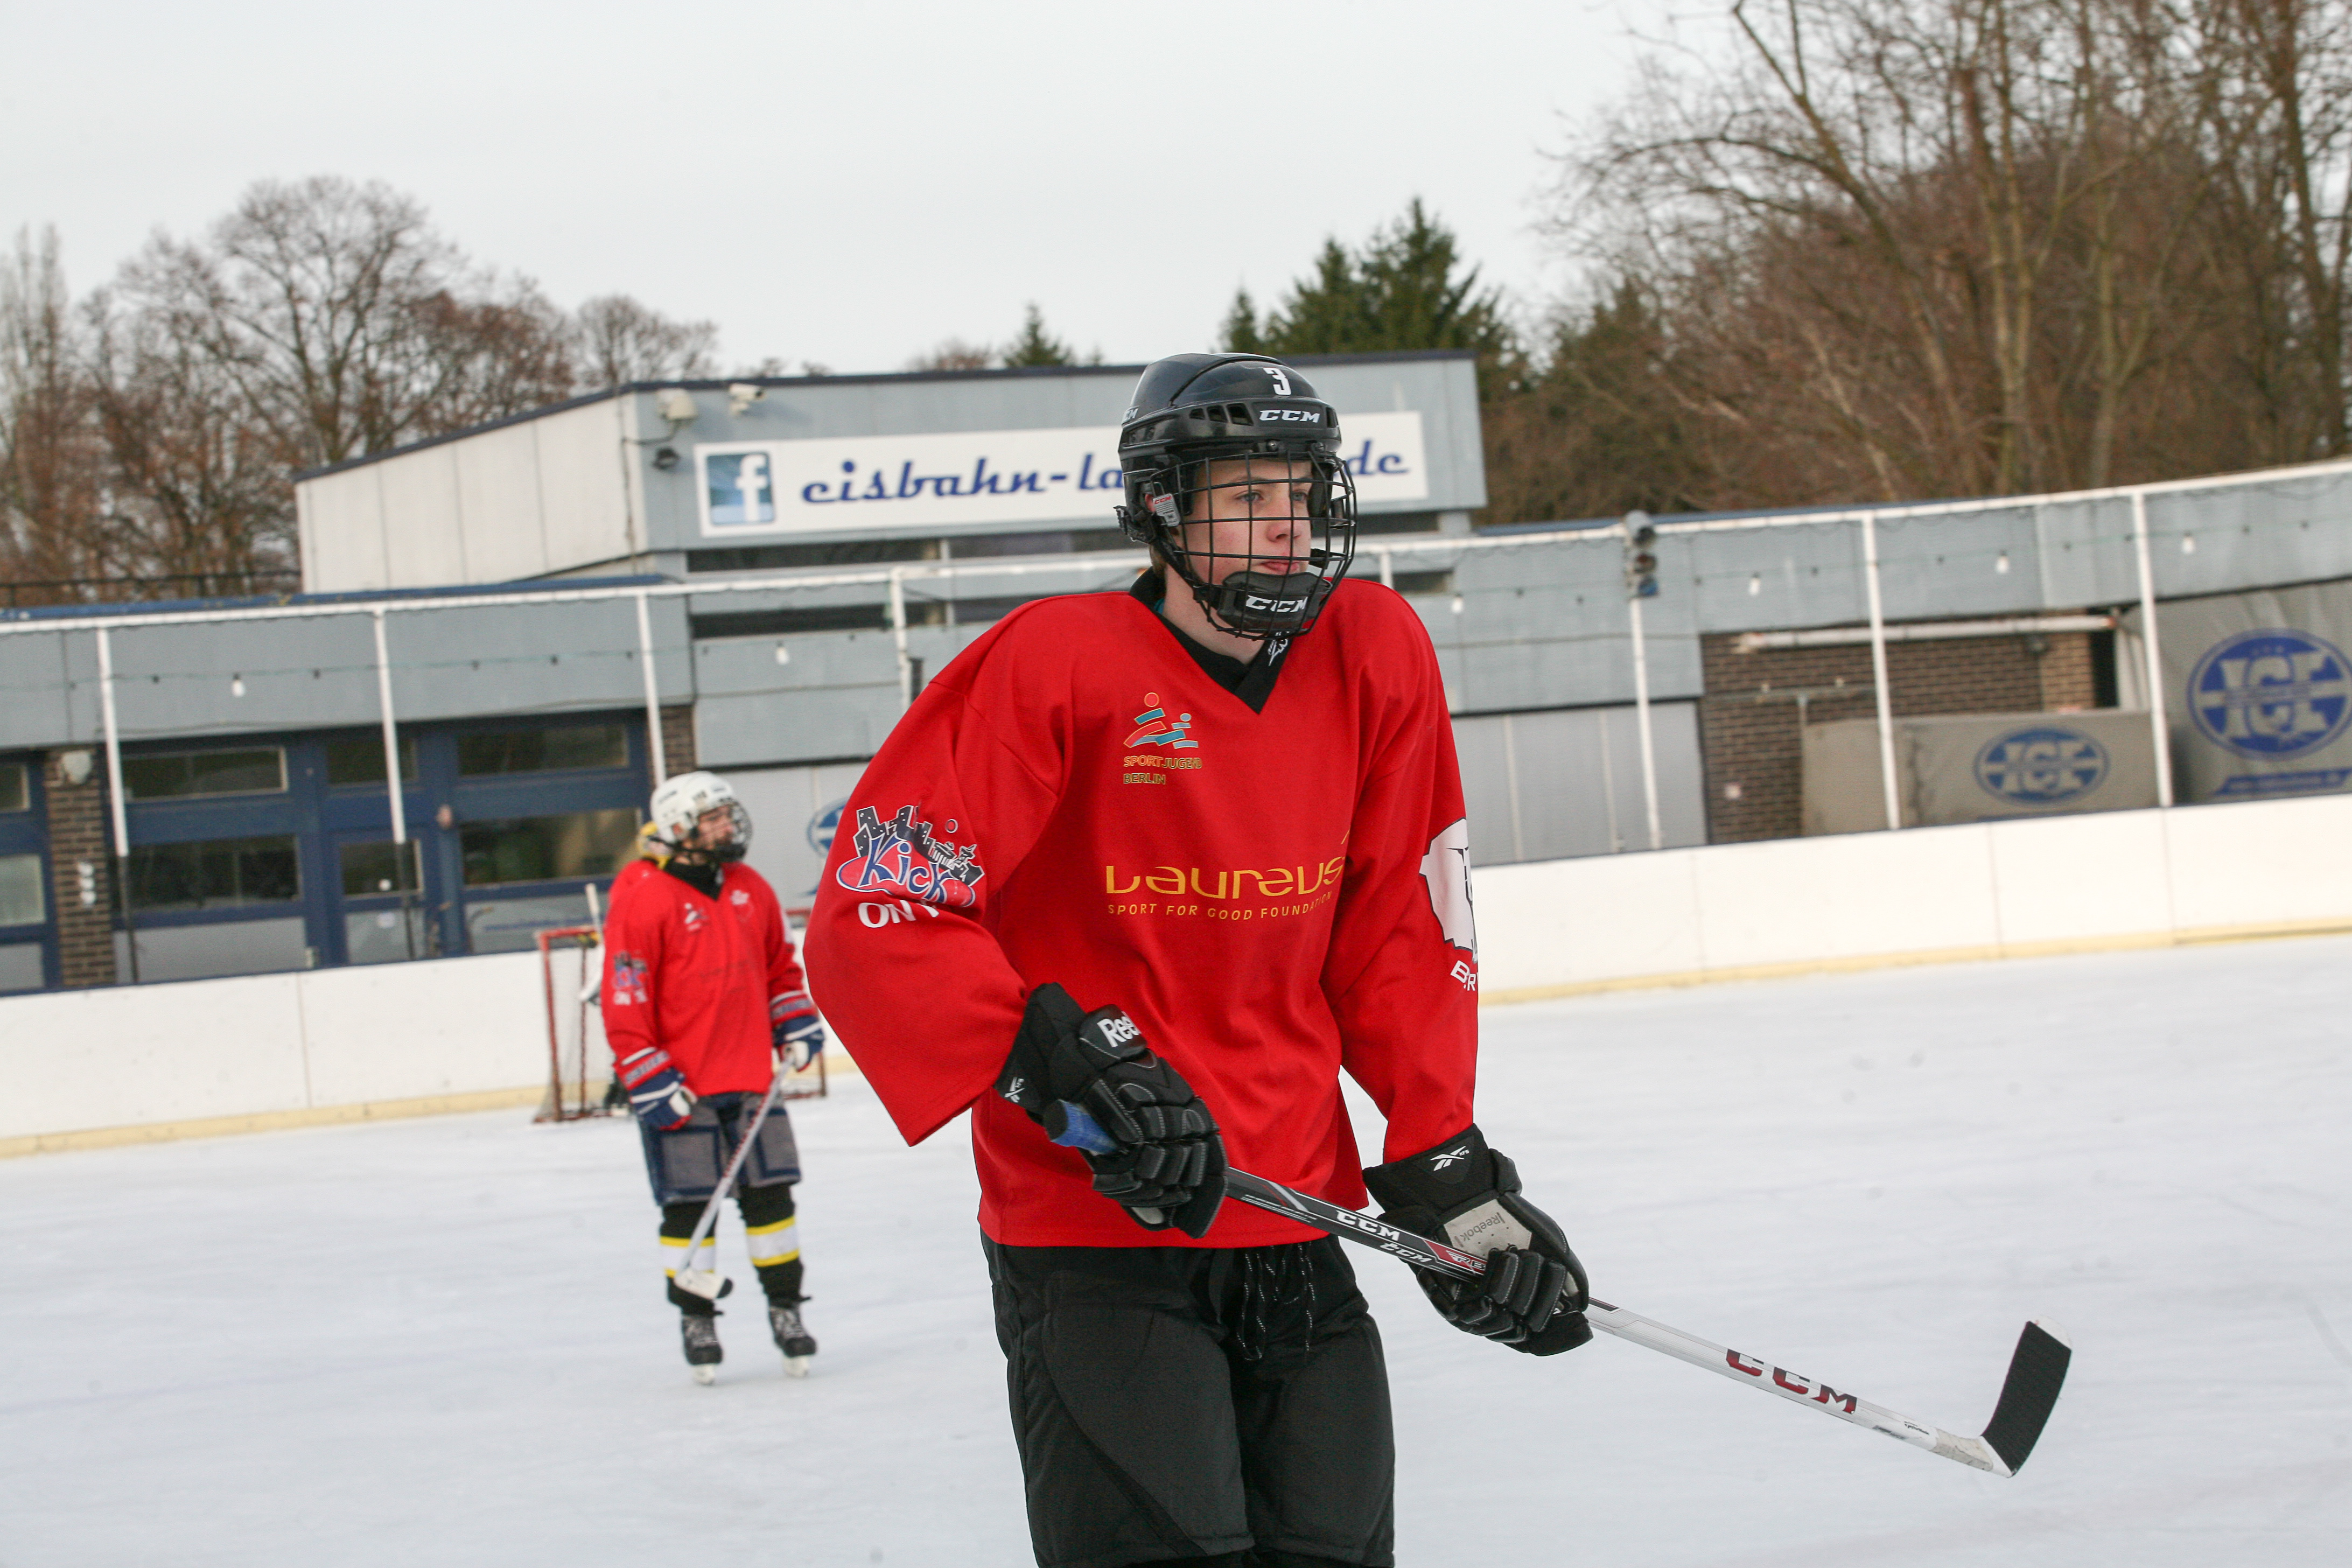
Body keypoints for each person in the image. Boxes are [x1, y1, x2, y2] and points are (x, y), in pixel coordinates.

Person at [804, 353, 1591, 1566]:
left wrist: (1447, 1169)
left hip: (1295, 1223)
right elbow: (881, 905)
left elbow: (1400, 929)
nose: (1286, 526)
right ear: (1161, 507)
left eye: (1303, 493)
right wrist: (1053, 1063)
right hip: (1096, 1241)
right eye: (1246, 496)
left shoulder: (1373, 646)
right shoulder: (1052, 661)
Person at [601, 769, 828, 1383]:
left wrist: (795, 1020)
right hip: (684, 1086)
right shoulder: (643, 897)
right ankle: (696, 1317)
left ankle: (786, 1309)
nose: (729, 826)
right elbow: (625, 996)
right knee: (689, 1209)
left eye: (729, 814)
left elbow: (780, 969)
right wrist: (646, 1072)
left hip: (751, 1077)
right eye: (714, 818)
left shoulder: (751, 888)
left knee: (772, 1202)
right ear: (680, 828)